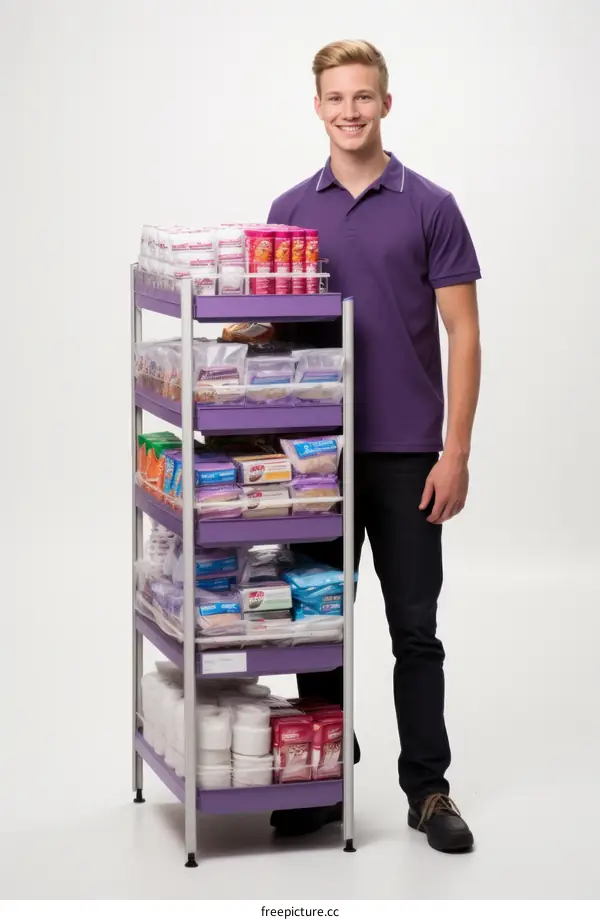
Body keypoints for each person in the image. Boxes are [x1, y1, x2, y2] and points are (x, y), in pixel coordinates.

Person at [267, 39, 482, 853]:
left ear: (385, 104)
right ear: (317, 107)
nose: (349, 111)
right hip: (313, 453)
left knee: (414, 628)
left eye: (363, 97)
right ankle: (325, 776)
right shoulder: (289, 211)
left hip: (406, 455)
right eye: (335, 98)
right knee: (314, 625)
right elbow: (278, 334)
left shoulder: (431, 204)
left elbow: (463, 334)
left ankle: (427, 789)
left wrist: (454, 452)